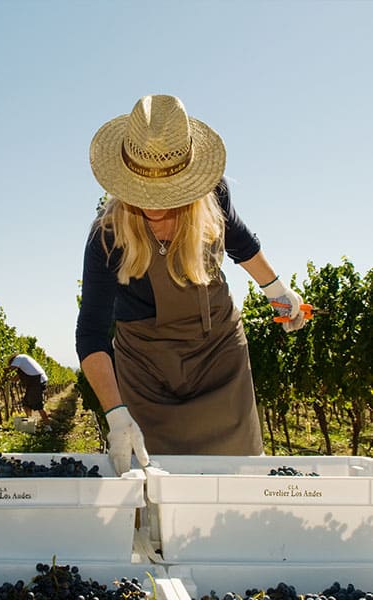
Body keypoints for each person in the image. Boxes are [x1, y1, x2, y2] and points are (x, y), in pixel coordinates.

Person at [76, 94, 306, 475]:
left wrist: (278, 293)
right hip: (146, 372)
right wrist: (116, 415)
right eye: (141, 188)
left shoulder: (214, 196)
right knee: (156, 488)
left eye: (166, 189)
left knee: (237, 477)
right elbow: (91, 333)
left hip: (218, 355)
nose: (153, 204)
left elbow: (243, 244)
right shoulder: (107, 235)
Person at [6, 353, 52, 431]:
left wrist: (1, 372)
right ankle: (30, 423)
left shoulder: (19, 358)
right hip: (35, 383)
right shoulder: (23, 365)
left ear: (13, 361)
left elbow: (10, 369)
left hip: (37, 382)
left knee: (38, 405)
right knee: (25, 403)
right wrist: (8, 379)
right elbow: (16, 378)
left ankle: (48, 427)